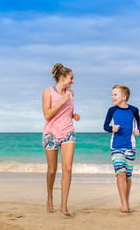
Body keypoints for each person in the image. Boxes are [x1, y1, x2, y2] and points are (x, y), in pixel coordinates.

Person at [42, 63, 80, 216]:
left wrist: (73, 115)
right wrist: (62, 101)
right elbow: (47, 115)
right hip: (51, 134)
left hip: (68, 132)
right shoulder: (48, 92)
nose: (73, 81)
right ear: (62, 78)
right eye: (71, 78)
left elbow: (66, 111)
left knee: (68, 168)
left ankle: (64, 205)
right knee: (52, 170)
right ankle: (50, 196)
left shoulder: (71, 93)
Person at [103, 85, 140, 213]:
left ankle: (126, 201)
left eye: (115, 95)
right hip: (116, 147)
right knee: (121, 174)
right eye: (112, 94)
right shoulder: (112, 110)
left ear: (124, 97)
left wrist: (137, 129)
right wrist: (111, 128)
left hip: (130, 147)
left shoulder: (134, 110)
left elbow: (137, 120)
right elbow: (105, 126)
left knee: (128, 177)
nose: (112, 97)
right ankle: (124, 204)